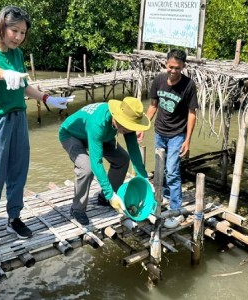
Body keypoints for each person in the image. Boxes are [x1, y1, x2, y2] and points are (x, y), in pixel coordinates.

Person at [0, 6, 74, 248]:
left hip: (17, 116)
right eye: (14, 30)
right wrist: (5, 73)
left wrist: (47, 99)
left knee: (18, 170)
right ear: (0, 26)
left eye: (22, 32)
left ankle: (14, 217)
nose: (18, 37)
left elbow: (22, 85)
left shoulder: (17, 54)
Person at [59, 97, 151, 225]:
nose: (128, 131)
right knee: (87, 168)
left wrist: (144, 178)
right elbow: (96, 162)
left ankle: (104, 199)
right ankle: (77, 210)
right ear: (116, 118)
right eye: (126, 128)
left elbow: (134, 150)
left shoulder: (127, 120)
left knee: (122, 159)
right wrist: (111, 194)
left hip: (101, 136)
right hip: (72, 134)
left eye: (130, 128)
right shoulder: (98, 123)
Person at [139, 49, 198, 229]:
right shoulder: (158, 80)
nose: (173, 71)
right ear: (166, 64)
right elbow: (153, 106)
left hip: (177, 135)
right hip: (159, 131)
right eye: (171, 67)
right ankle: (164, 195)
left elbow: (192, 113)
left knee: (172, 171)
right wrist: (143, 127)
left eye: (177, 68)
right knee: (161, 168)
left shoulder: (189, 86)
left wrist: (187, 140)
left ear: (183, 67)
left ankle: (176, 210)